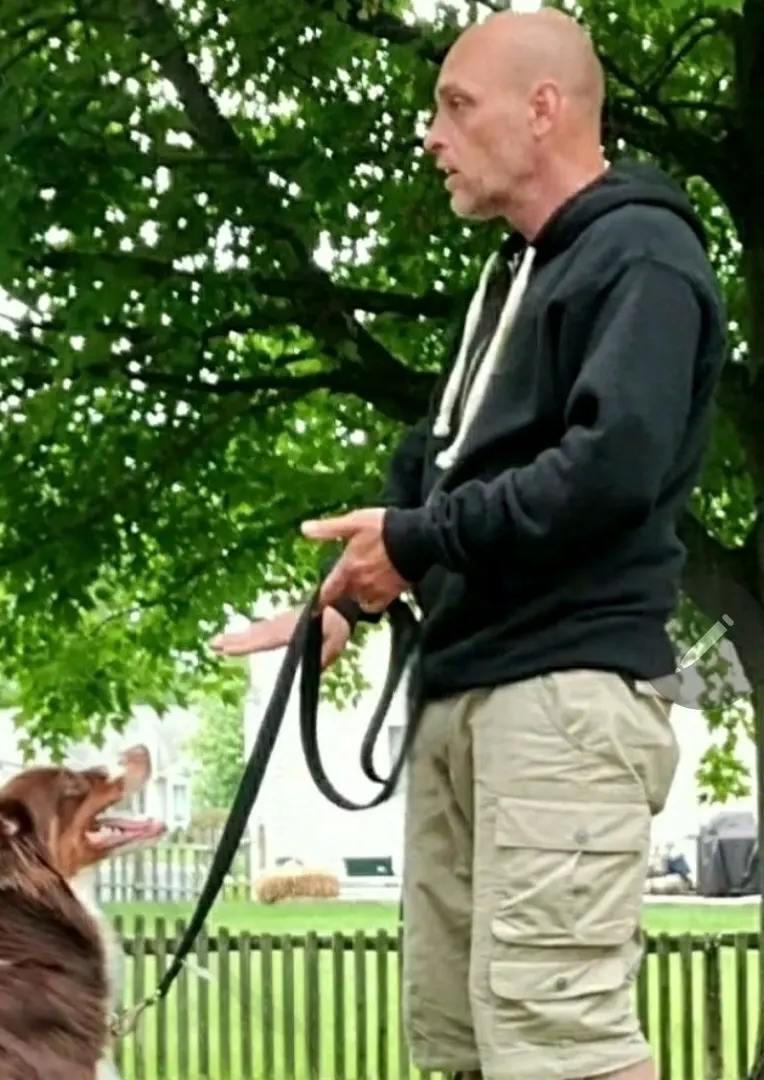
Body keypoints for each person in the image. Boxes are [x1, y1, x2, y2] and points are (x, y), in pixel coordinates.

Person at [212, 8, 727, 1080]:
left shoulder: (644, 255)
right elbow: (439, 472)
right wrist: (346, 599)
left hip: (564, 696)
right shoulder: (513, 279)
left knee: (559, 1044)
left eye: (456, 106)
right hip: (468, 690)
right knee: (460, 1044)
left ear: (543, 112)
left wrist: (417, 536)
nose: (430, 135)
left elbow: (610, 469)